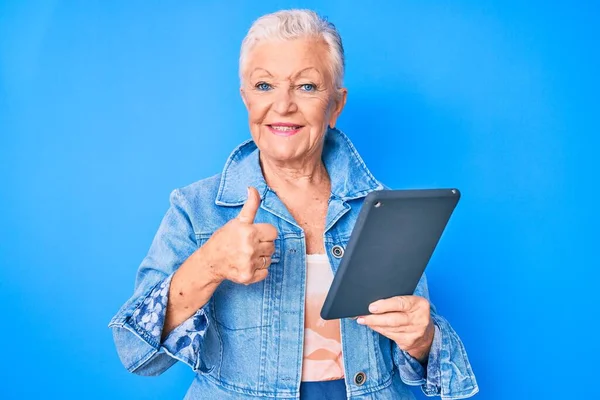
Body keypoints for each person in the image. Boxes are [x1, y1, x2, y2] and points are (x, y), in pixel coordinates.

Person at [109, 9, 478, 400]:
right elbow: (136, 353)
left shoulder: (384, 211)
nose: (282, 105)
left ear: (335, 104)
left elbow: (420, 343)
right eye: (264, 85)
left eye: (306, 86)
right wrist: (209, 264)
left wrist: (422, 339)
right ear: (245, 98)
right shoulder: (195, 209)